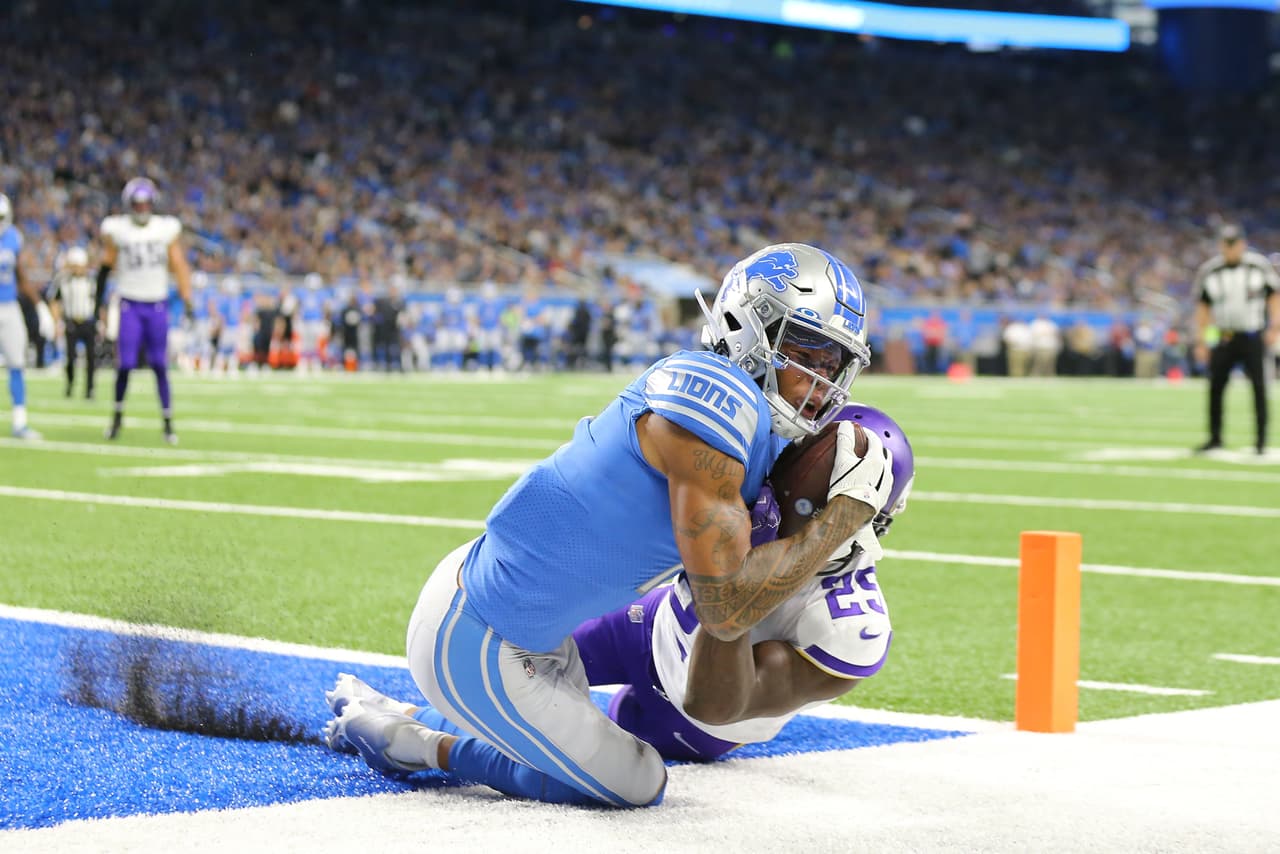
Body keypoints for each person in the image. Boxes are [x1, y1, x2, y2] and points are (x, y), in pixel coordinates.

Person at [322, 243, 892, 807]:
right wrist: (845, 514)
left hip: (528, 628)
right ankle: (412, 744)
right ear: (752, 329)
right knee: (637, 781)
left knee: (572, 749)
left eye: (832, 364)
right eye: (805, 353)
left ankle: (394, 713)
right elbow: (725, 610)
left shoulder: (755, 426)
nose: (820, 382)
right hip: (482, 633)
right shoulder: (717, 399)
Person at [325, 404, 914, 770]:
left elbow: (714, 703)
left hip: (692, 719)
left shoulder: (850, 628)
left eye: (799, 506)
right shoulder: (759, 476)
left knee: (581, 759)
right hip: (653, 623)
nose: (770, 500)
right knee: (519, 671)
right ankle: (416, 709)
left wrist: (743, 574)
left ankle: (419, 745)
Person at [99, 177, 194, 444]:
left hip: (157, 304)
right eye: (137, 204)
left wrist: (188, 299)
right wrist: (99, 300)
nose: (142, 209)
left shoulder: (165, 229)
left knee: (160, 365)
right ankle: (117, 418)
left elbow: (178, 264)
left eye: (145, 204)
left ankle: (167, 423)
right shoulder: (117, 229)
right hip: (129, 302)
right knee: (125, 364)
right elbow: (106, 265)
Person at [1193, 224, 1280, 455]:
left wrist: (1275, 327)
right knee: (1216, 387)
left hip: (1252, 335)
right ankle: (1215, 438)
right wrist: (1203, 341)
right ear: (1221, 245)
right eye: (1226, 243)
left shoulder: (1258, 266)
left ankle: (1260, 441)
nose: (1231, 248)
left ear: (1242, 243)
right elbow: (1203, 310)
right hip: (1223, 336)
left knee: (1260, 388)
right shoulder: (1210, 270)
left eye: (1234, 243)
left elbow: (1274, 297)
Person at [0, 193, 47, 439]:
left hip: (8, 306)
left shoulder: (12, 238)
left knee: (17, 363)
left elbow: (21, 275)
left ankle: (20, 422)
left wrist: (40, 305)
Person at [49, 246, 102, 399]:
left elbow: (99, 302)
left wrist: (101, 321)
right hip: (71, 321)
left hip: (89, 322)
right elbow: (54, 300)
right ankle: (70, 385)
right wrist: (57, 322)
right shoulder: (63, 279)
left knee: (91, 358)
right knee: (70, 357)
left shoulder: (92, 280)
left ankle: (90, 389)